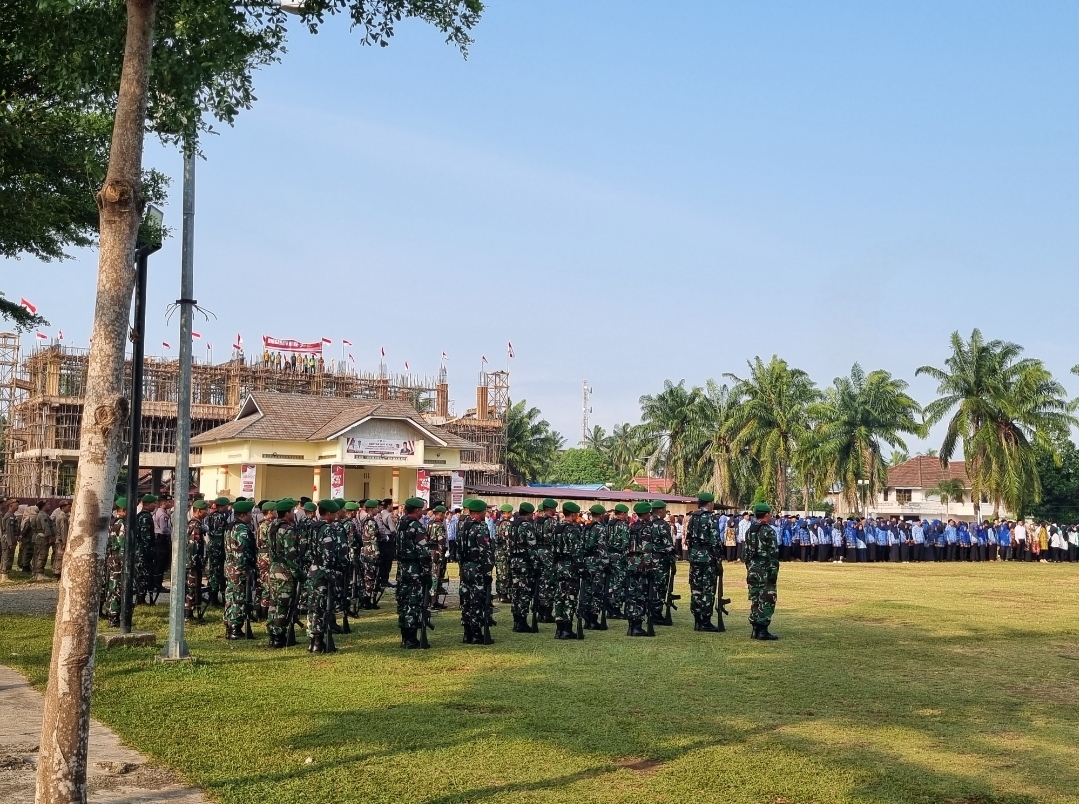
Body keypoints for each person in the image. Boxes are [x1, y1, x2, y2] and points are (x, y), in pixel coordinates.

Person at [395, 497, 433, 649]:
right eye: (422, 509)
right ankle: (411, 639)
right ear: (417, 510)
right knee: (413, 602)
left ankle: (405, 636)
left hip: (402, 568)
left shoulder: (401, 525)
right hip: (415, 569)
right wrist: (427, 571)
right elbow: (423, 552)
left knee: (403, 602)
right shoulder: (417, 526)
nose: (423, 512)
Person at [458, 498, 494, 645]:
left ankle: (467, 633)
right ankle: (477, 634)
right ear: (480, 512)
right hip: (477, 567)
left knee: (466, 600)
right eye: (485, 510)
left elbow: (459, 549)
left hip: (465, 567)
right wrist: (488, 571)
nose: (486, 513)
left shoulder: (464, 526)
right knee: (477, 601)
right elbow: (485, 551)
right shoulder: (481, 527)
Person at [265, 498, 300, 648]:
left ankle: (272, 633)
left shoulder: (271, 526)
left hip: (273, 569)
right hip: (285, 570)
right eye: (292, 511)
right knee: (283, 604)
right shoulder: (287, 529)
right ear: (287, 513)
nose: (294, 514)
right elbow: (291, 555)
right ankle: (279, 636)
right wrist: (297, 573)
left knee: (274, 602)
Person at [686, 492, 723, 632]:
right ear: (709, 503)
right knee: (707, 589)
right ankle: (705, 621)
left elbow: (688, 538)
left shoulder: (693, 517)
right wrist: (718, 560)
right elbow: (715, 541)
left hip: (695, 556)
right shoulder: (710, 518)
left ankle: (697, 620)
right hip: (708, 557)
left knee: (696, 589)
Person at [744, 501, 779, 641]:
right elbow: (774, 554)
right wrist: (774, 572)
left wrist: (749, 567)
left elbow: (745, 554)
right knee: (767, 599)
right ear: (766, 515)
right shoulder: (768, 531)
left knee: (755, 597)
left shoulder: (749, 531)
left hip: (752, 569)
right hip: (765, 570)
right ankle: (762, 630)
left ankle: (755, 629)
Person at [223, 499, 256, 640]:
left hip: (230, 566)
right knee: (238, 598)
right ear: (243, 515)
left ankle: (229, 625)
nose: (251, 517)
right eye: (250, 514)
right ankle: (235, 629)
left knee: (231, 596)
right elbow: (241, 550)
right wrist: (245, 569)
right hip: (239, 568)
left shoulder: (230, 526)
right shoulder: (241, 529)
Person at [550, 501, 583, 640]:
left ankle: (559, 628)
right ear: (574, 514)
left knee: (559, 597)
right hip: (570, 566)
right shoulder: (573, 530)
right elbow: (576, 551)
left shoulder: (557, 528)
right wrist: (581, 567)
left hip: (559, 565)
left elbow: (552, 548)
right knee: (570, 597)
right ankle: (567, 629)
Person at [624, 501, 654, 637]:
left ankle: (632, 624)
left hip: (631, 562)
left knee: (632, 594)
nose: (650, 515)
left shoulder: (632, 527)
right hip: (642, 563)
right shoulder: (646, 527)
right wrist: (650, 566)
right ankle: (637, 626)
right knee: (641, 595)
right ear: (646, 513)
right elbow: (647, 549)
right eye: (649, 513)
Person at [579, 504, 609, 630]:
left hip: (587, 560)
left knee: (587, 591)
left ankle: (586, 616)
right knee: (597, 591)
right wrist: (606, 563)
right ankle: (593, 619)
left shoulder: (587, 527)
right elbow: (602, 547)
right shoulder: (600, 529)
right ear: (601, 515)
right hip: (597, 561)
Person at [649, 501, 675, 624]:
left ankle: (650, 611)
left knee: (651, 586)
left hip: (649, 559)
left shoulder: (648, 523)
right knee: (660, 587)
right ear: (660, 511)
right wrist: (673, 560)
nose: (666, 512)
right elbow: (668, 545)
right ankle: (656, 614)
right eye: (665, 510)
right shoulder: (662, 524)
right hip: (661, 560)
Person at [103, 499, 127, 627]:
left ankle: (110, 613)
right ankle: (114, 617)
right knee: (117, 588)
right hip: (119, 560)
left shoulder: (111, 522)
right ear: (123, 510)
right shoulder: (122, 524)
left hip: (111, 558)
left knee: (111, 587)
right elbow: (123, 544)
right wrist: (125, 562)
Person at [534, 498, 558, 623]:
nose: (555, 511)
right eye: (554, 508)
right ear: (550, 509)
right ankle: (547, 613)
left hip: (537, 552)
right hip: (549, 553)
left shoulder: (536, 521)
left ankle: (539, 611)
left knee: (539, 582)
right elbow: (556, 539)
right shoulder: (552, 522)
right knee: (549, 583)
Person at [184, 499, 209, 621]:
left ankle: (190, 611)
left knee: (193, 587)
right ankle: (189, 613)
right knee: (192, 587)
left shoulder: (196, 523)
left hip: (193, 561)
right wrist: (195, 563)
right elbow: (194, 545)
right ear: (199, 511)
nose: (207, 512)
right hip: (192, 562)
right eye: (205, 510)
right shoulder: (195, 525)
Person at [605, 503, 631, 619]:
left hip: (609, 555)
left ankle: (609, 607)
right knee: (619, 583)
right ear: (623, 513)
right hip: (619, 557)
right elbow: (626, 544)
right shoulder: (623, 526)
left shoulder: (609, 524)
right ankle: (615, 608)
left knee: (610, 582)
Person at [206, 497, 231, 605]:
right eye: (226, 505)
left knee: (213, 572)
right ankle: (213, 598)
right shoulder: (219, 516)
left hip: (213, 546)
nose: (228, 507)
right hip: (217, 547)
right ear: (221, 506)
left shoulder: (213, 515)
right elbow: (220, 534)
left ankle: (213, 596)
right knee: (216, 572)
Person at [20, 500, 54, 581]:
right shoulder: (43, 516)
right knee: (41, 555)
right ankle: (39, 573)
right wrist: (50, 537)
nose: (49, 506)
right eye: (47, 504)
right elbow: (46, 527)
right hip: (42, 538)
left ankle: (35, 572)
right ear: (43, 506)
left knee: (37, 555)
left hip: (37, 537)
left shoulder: (37, 515)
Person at [359, 499, 382, 608]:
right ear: (372, 509)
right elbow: (373, 538)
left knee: (368, 575)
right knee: (370, 575)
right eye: (377, 508)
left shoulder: (365, 520)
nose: (378, 509)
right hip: (370, 550)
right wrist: (377, 552)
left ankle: (366, 598)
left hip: (365, 549)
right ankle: (366, 599)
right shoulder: (371, 521)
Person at [427, 505, 448, 608]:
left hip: (429, 552)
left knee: (431, 575)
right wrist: (442, 554)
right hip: (436, 553)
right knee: (436, 576)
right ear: (440, 514)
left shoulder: (430, 523)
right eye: (443, 514)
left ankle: (430, 600)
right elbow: (441, 541)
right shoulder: (439, 525)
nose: (444, 516)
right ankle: (433, 601)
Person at [494, 504, 514, 603]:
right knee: (505, 573)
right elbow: (507, 540)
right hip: (505, 551)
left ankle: (500, 593)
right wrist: (510, 554)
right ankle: (504, 594)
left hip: (498, 551)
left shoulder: (498, 523)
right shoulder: (507, 524)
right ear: (508, 513)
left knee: (500, 573)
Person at [51, 501, 71, 576]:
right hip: (61, 540)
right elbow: (63, 530)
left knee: (58, 556)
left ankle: (56, 571)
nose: (70, 508)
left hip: (59, 539)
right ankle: (57, 573)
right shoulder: (63, 517)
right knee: (60, 557)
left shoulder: (62, 515)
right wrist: (64, 542)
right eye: (68, 507)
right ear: (63, 507)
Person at [0, 500, 18, 582]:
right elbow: (9, 531)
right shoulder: (9, 516)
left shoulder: (12, 515)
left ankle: (6, 574)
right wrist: (10, 543)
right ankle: (4, 576)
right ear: (11, 506)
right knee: (6, 556)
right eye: (16, 505)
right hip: (8, 539)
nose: (18, 507)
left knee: (9, 556)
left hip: (10, 539)